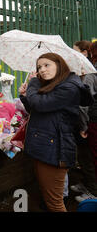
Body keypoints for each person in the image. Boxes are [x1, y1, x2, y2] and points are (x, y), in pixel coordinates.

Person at [18, 53, 93, 212]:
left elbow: (40, 104)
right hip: (45, 147)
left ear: (60, 65)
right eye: (39, 67)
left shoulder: (69, 87)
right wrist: (25, 97)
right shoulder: (54, 85)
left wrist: (33, 83)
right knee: (49, 197)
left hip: (54, 150)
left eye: (47, 65)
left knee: (55, 203)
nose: (42, 70)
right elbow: (36, 110)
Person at [71, 40, 97, 202]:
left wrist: (83, 126)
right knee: (85, 155)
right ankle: (88, 184)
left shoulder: (90, 74)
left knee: (89, 156)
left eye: (75, 51)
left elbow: (84, 103)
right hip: (90, 121)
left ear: (87, 53)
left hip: (89, 122)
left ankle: (93, 191)